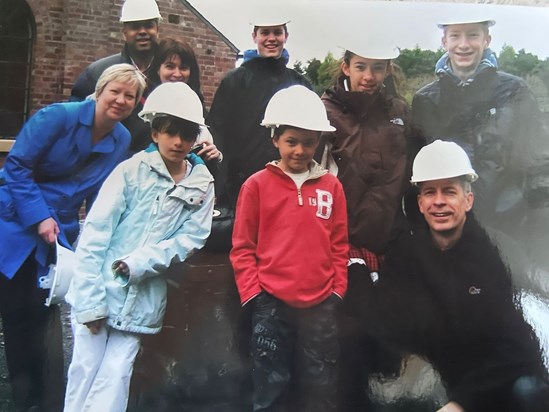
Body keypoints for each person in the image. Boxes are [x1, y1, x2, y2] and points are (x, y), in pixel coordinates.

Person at [0, 63, 146, 412]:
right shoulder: (56, 117)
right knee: (16, 312)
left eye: (130, 96)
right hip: (16, 221)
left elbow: (102, 196)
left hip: (58, 236)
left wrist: (104, 237)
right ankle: (24, 396)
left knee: (43, 315)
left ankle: (43, 399)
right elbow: (16, 168)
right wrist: (40, 216)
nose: (121, 100)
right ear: (100, 91)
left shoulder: (121, 139)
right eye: (115, 91)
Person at [364, 140, 549, 412]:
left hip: (489, 388)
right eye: (430, 193)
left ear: (468, 200)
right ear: (420, 203)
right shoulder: (404, 260)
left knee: (530, 390)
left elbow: (520, 351)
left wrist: (461, 403)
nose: (439, 201)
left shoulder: (496, 254)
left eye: (449, 192)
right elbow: (389, 336)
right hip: (434, 388)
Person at [63, 82, 215, 412]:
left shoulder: (201, 183)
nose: (178, 142)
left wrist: (142, 262)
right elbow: (95, 236)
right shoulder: (130, 172)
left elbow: (191, 238)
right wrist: (90, 303)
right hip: (100, 287)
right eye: (170, 132)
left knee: (116, 375)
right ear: (155, 131)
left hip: (143, 297)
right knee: (85, 371)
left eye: (187, 135)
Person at [317, 43, 424, 411]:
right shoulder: (324, 111)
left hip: (389, 243)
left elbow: (415, 177)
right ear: (345, 66)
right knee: (345, 352)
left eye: (378, 68)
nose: (369, 76)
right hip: (339, 248)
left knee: (390, 353)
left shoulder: (400, 113)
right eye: (361, 66)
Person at [230, 85, 349, 412]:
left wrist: (337, 288)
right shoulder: (256, 186)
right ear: (275, 139)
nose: (299, 150)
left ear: (319, 142)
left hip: (321, 301)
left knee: (321, 382)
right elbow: (242, 246)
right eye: (291, 141)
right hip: (271, 301)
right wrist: (254, 294)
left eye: (308, 142)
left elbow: (339, 243)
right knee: (271, 382)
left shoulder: (331, 187)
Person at [411, 17, 549, 259]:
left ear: (487, 40)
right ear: (444, 41)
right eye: (455, 35)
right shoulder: (425, 99)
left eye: (473, 35)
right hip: (450, 228)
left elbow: (539, 157)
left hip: (511, 223)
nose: (464, 44)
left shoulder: (515, 91)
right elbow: (416, 170)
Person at [208, 18, 311, 208]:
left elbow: (311, 136)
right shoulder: (234, 81)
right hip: (239, 186)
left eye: (277, 32)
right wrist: (220, 185)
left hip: (287, 184)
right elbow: (218, 133)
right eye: (265, 32)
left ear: (285, 36)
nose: (271, 38)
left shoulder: (300, 84)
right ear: (254, 36)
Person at [71, 0, 162, 153]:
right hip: (109, 159)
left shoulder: (172, 73)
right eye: (134, 26)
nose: (142, 31)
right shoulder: (98, 72)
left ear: (157, 30)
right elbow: (77, 119)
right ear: (124, 33)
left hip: (159, 163)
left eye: (148, 25)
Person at [149, 37, 222, 165]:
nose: (177, 74)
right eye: (170, 66)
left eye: (183, 67)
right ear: (157, 69)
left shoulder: (197, 107)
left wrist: (216, 154)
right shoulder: (146, 107)